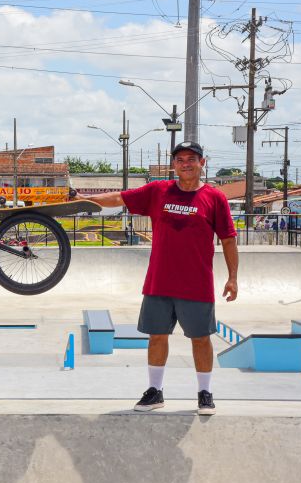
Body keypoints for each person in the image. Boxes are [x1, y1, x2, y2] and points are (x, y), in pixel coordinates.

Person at [78, 141, 238, 416]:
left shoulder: (214, 198)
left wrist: (233, 278)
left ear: (202, 162)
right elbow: (119, 198)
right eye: (180, 160)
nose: (185, 164)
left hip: (196, 283)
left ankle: (204, 393)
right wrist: (84, 199)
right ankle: (155, 391)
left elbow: (228, 239)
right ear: (173, 164)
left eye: (191, 159)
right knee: (156, 337)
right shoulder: (158, 191)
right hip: (159, 282)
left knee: (200, 338)